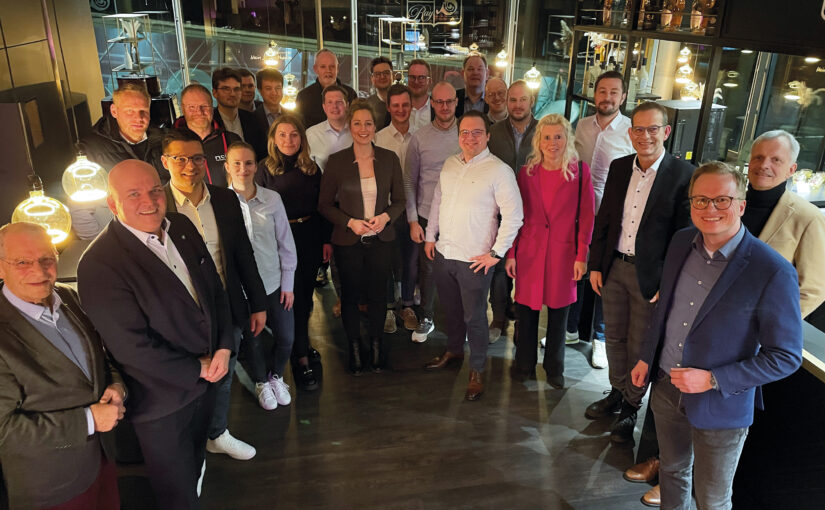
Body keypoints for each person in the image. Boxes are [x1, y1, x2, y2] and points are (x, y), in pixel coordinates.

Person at [630, 162, 803, 510]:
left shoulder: (772, 270)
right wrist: (647, 357)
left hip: (722, 403)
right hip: (665, 387)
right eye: (701, 200)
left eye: (722, 200)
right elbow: (665, 310)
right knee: (673, 474)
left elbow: (786, 356)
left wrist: (712, 379)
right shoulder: (681, 243)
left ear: (740, 205)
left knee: (712, 498)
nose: (710, 209)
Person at [78, 160, 234, 510]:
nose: (148, 200)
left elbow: (215, 292)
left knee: (194, 471)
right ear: (113, 203)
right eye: (133, 194)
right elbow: (131, 348)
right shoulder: (99, 264)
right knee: (175, 494)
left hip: (207, 383)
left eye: (154, 190)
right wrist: (198, 368)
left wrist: (224, 346)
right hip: (162, 404)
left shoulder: (180, 226)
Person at [586, 101, 694, 444]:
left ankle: (631, 409)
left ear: (666, 132)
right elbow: (604, 221)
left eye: (652, 129)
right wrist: (595, 265)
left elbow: (684, 237)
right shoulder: (619, 168)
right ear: (630, 133)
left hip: (652, 278)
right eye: (638, 129)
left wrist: (669, 281)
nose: (645, 136)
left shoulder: (684, 175)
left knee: (639, 345)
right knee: (613, 338)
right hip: (614, 267)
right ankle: (617, 393)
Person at [0, 222, 126, 509]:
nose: (40, 270)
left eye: (48, 258)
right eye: (22, 262)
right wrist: (89, 420)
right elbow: (4, 430)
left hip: (102, 461)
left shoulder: (68, 296)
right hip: (51, 486)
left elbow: (100, 358)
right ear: (0, 267)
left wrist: (116, 384)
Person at [161, 129, 268, 461]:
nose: (189, 166)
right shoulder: (158, 205)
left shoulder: (224, 199)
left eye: (196, 158)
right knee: (188, 377)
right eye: (180, 159)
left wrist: (258, 303)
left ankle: (217, 433)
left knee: (225, 371)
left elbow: (243, 255)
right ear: (165, 162)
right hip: (183, 312)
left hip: (228, 303)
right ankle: (187, 445)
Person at [423, 110, 523, 401]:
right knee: (451, 312)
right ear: (458, 136)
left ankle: (477, 369)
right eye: (464, 132)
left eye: (477, 132)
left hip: (475, 260)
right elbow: (437, 202)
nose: (470, 137)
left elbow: (514, 217)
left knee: (475, 317)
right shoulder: (450, 164)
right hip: (445, 252)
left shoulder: (499, 171)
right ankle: (454, 351)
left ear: (488, 135)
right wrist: (431, 236)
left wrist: (496, 253)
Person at [505, 114, 595, 388]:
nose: (552, 143)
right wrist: (511, 253)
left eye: (558, 136)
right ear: (538, 141)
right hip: (530, 252)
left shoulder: (580, 172)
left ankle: (555, 369)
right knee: (526, 312)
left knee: (559, 316)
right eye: (547, 137)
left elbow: (587, 217)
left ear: (567, 139)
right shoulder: (526, 173)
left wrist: (582, 255)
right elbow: (514, 215)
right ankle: (524, 364)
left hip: (563, 254)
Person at [318, 100, 405, 375]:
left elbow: (400, 200)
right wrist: (350, 222)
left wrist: (385, 217)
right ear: (350, 126)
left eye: (368, 123)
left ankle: (377, 346)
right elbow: (324, 205)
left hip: (382, 240)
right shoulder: (337, 161)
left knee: (379, 296)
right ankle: (355, 348)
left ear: (375, 126)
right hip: (349, 241)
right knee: (351, 297)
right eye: (357, 123)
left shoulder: (389, 159)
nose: (363, 128)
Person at [256, 114, 332, 391]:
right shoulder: (264, 170)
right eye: (283, 135)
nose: (289, 140)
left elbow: (322, 207)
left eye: (294, 135)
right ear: (273, 140)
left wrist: (326, 240)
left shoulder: (312, 169)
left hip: (310, 236)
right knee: (291, 299)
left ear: (302, 138)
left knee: (305, 298)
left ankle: (301, 343)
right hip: (280, 240)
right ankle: (299, 357)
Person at [225, 141, 297, 410]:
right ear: (227, 167)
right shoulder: (221, 202)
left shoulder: (272, 199)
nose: (243, 169)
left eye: (248, 163)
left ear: (256, 166)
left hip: (274, 282)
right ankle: (260, 382)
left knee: (286, 337)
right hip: (243, 289)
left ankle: (276, 375)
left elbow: (286, 244)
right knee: (252, 341)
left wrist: (288, 284)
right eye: (236, 163)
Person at [571, 70, 634, 369]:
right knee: (577, 271)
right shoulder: (581, 126)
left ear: (623, 97)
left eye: (613, 92)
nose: (606, 97)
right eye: (602, 91)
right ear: (594, 94)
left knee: (603, 278)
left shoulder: (632, 131)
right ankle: (570, 331)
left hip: (613, 217)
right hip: (578, 213)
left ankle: (600, 340)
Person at [743, 130, 825, 317]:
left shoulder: (808, 218)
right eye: (758, 157)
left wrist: (771, 325)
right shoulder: (730, 202)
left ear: (791, 169)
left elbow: (813, 290)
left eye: (776, 160)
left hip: (760, 327)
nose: (764, 165)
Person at [73, 83, 166, 240]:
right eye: (130, 111)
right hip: (119, 238)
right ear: (114, 111)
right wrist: (98, 244)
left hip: (161, 233)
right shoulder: (91, 149)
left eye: (143, 111)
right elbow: (79, 209)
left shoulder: (163, 141)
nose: (139, 118)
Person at [405, 81, 460, 343]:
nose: (445, 106)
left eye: (449, 101)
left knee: (461, 269)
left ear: (456, 103)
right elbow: (409, 181)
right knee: (428, 269)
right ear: (432, 103)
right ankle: (426, 316)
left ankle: (459, 321)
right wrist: (413, 220)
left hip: (462, 215)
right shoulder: (420, 137)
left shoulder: (469, 133)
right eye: (439, 102)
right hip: (428, 215)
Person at [487, 80, 539, 343]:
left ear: (532, 101)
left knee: (528, 267)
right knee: (499, 267)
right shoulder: (493, 132)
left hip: (534, 211)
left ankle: (522, 319)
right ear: (506, 103)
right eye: (513, 100)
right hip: (500, 211)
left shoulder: (545, 131)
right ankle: (498, 317)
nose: (517, 105)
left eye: (523, 99)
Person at [375, 84, 416, 331]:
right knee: (388, 260)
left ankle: (408, 305)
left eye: (405, 105)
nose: (401, 110)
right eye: (396, 105)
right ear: (388, 107)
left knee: (411, 260)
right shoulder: (377, 138)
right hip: (387, 209)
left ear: (411, 106)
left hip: (413, 210)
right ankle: (389, 307)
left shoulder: (421, 137)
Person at [174, 83, 241, 187]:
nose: (199, 112)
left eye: (204, 106)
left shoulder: (232, 140)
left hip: (228, 201)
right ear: (182, 109)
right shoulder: (172, 144)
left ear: (212, 107)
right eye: (192, 107)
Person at [211, 67, 267, 160]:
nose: (232, 94)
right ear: (215, 93)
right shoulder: (210, 122)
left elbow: (261, 154)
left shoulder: (253, 120)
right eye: (226, 89)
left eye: (236, 89)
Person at [296, 48, 357, 129]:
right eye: (323, 67)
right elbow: (299, 127)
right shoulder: (303, 97)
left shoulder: (351, 94)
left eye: (332, 66)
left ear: (337, 68)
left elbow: (356, 122)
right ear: (315, 69)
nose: (328, 71)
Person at [306, 84, 354, 172]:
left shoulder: (358, 131)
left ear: (347, 105)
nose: (334, 106)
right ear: (324, 107)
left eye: (339, 102)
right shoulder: (311, 134)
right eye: (330, 102)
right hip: (322, 184)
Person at [366, 56, 394, 129]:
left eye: (386, 73)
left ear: (392, 75)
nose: (382, 77)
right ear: (372, 78)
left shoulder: (403, 102)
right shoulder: (366, 105)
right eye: (378, 74)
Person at [407, 59, 433, 132]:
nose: (416, 81)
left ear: (430, 81)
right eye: (412, 77)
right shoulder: (398, 108)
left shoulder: (437, 108)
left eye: (421, 77)